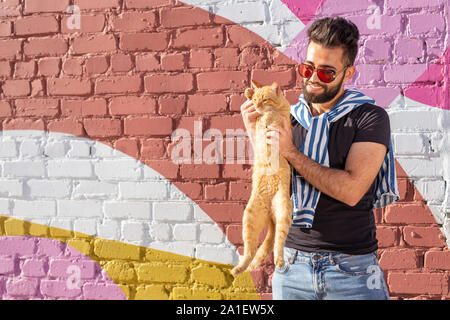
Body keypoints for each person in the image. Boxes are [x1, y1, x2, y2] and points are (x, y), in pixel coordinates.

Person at [240, 17, 398, 300]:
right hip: (291, 268)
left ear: (348, 74)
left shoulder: (368, 117)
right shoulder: (289, 119)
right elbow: (272, 182)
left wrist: (290, 151)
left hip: (351, 272)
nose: (313, 78)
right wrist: (254, 132)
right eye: (307, 68)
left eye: (326, 73)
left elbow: (351, 190)